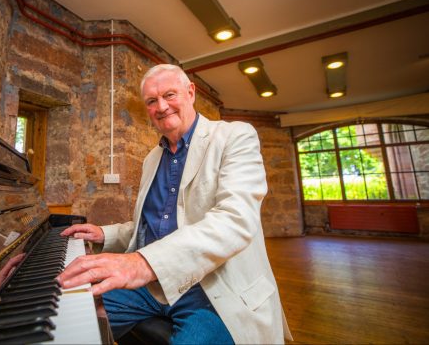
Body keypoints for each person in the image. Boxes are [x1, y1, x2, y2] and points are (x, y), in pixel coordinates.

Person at [57, 64, 292, 344]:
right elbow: (155, 225)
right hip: (154, 287)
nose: (162, 106)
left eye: (170, 95)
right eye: (152, 101)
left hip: (215, 292)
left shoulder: (235, 137)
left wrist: (140, 263)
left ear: (190, 92)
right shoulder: (151, 159)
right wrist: (104, 235)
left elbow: (235, 221)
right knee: (67, 302)